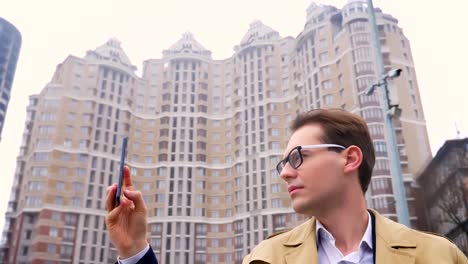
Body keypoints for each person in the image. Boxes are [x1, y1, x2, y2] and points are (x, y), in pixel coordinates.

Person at [106, 109, 467, 263]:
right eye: (283, 164)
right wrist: (135, 250)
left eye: (298, 158)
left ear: (349, 158)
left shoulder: (438, 255)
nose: (285, 173)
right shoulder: (266, 259)